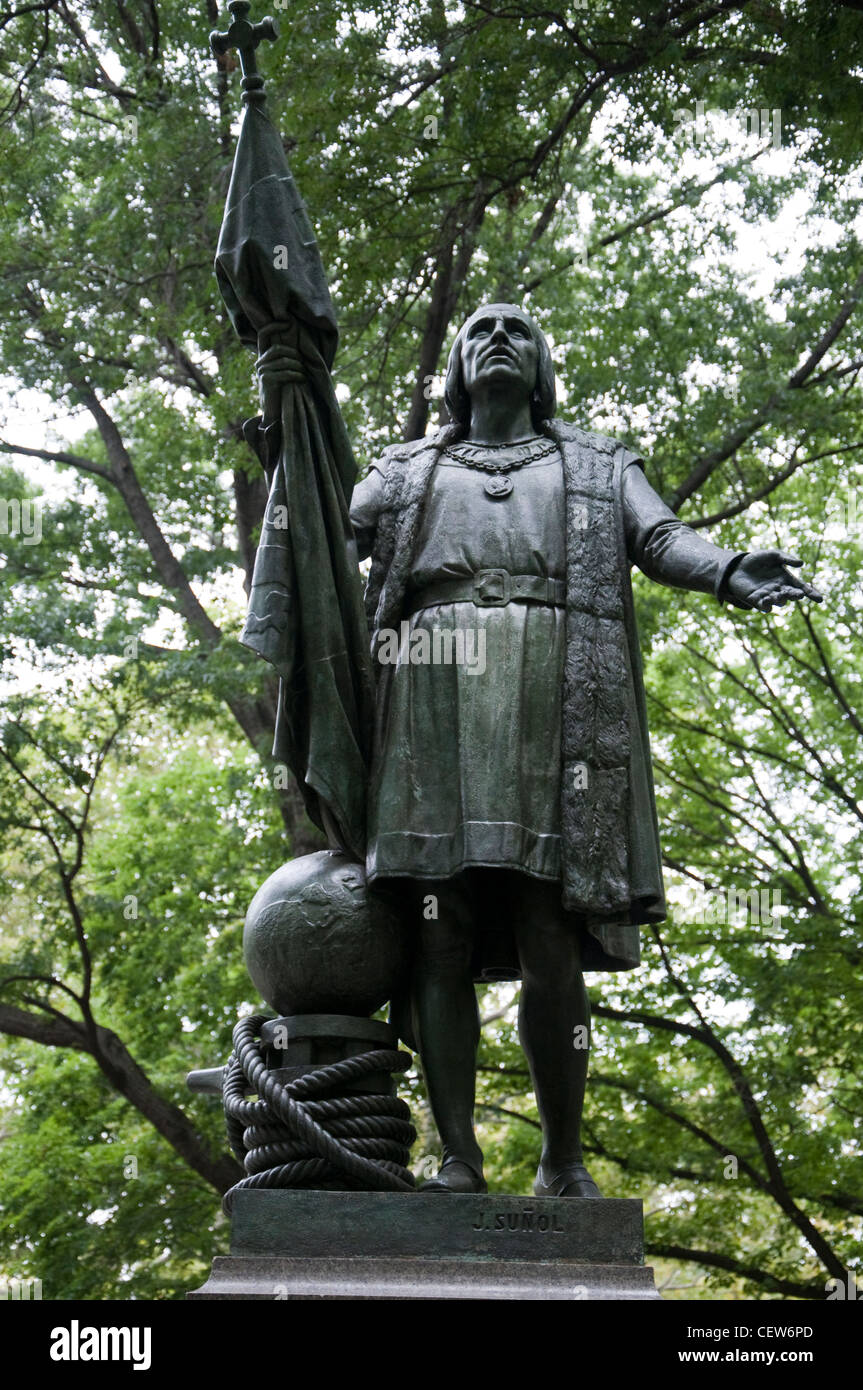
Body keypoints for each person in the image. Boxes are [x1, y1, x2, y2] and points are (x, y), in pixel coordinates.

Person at [256, 303, 821, 1197]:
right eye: (478, 331)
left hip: (551, 697)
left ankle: (562, 1161)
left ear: (543, 365)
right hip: (428, 694)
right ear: (454, 371)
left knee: (547, 932)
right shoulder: (407, 469)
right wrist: (289, 437)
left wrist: (724, 567)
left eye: (518, 331)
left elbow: (661, 537)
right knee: (437, 932)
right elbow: (327, 532)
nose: (496, 341)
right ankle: (458, 1159)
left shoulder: (594, 463)